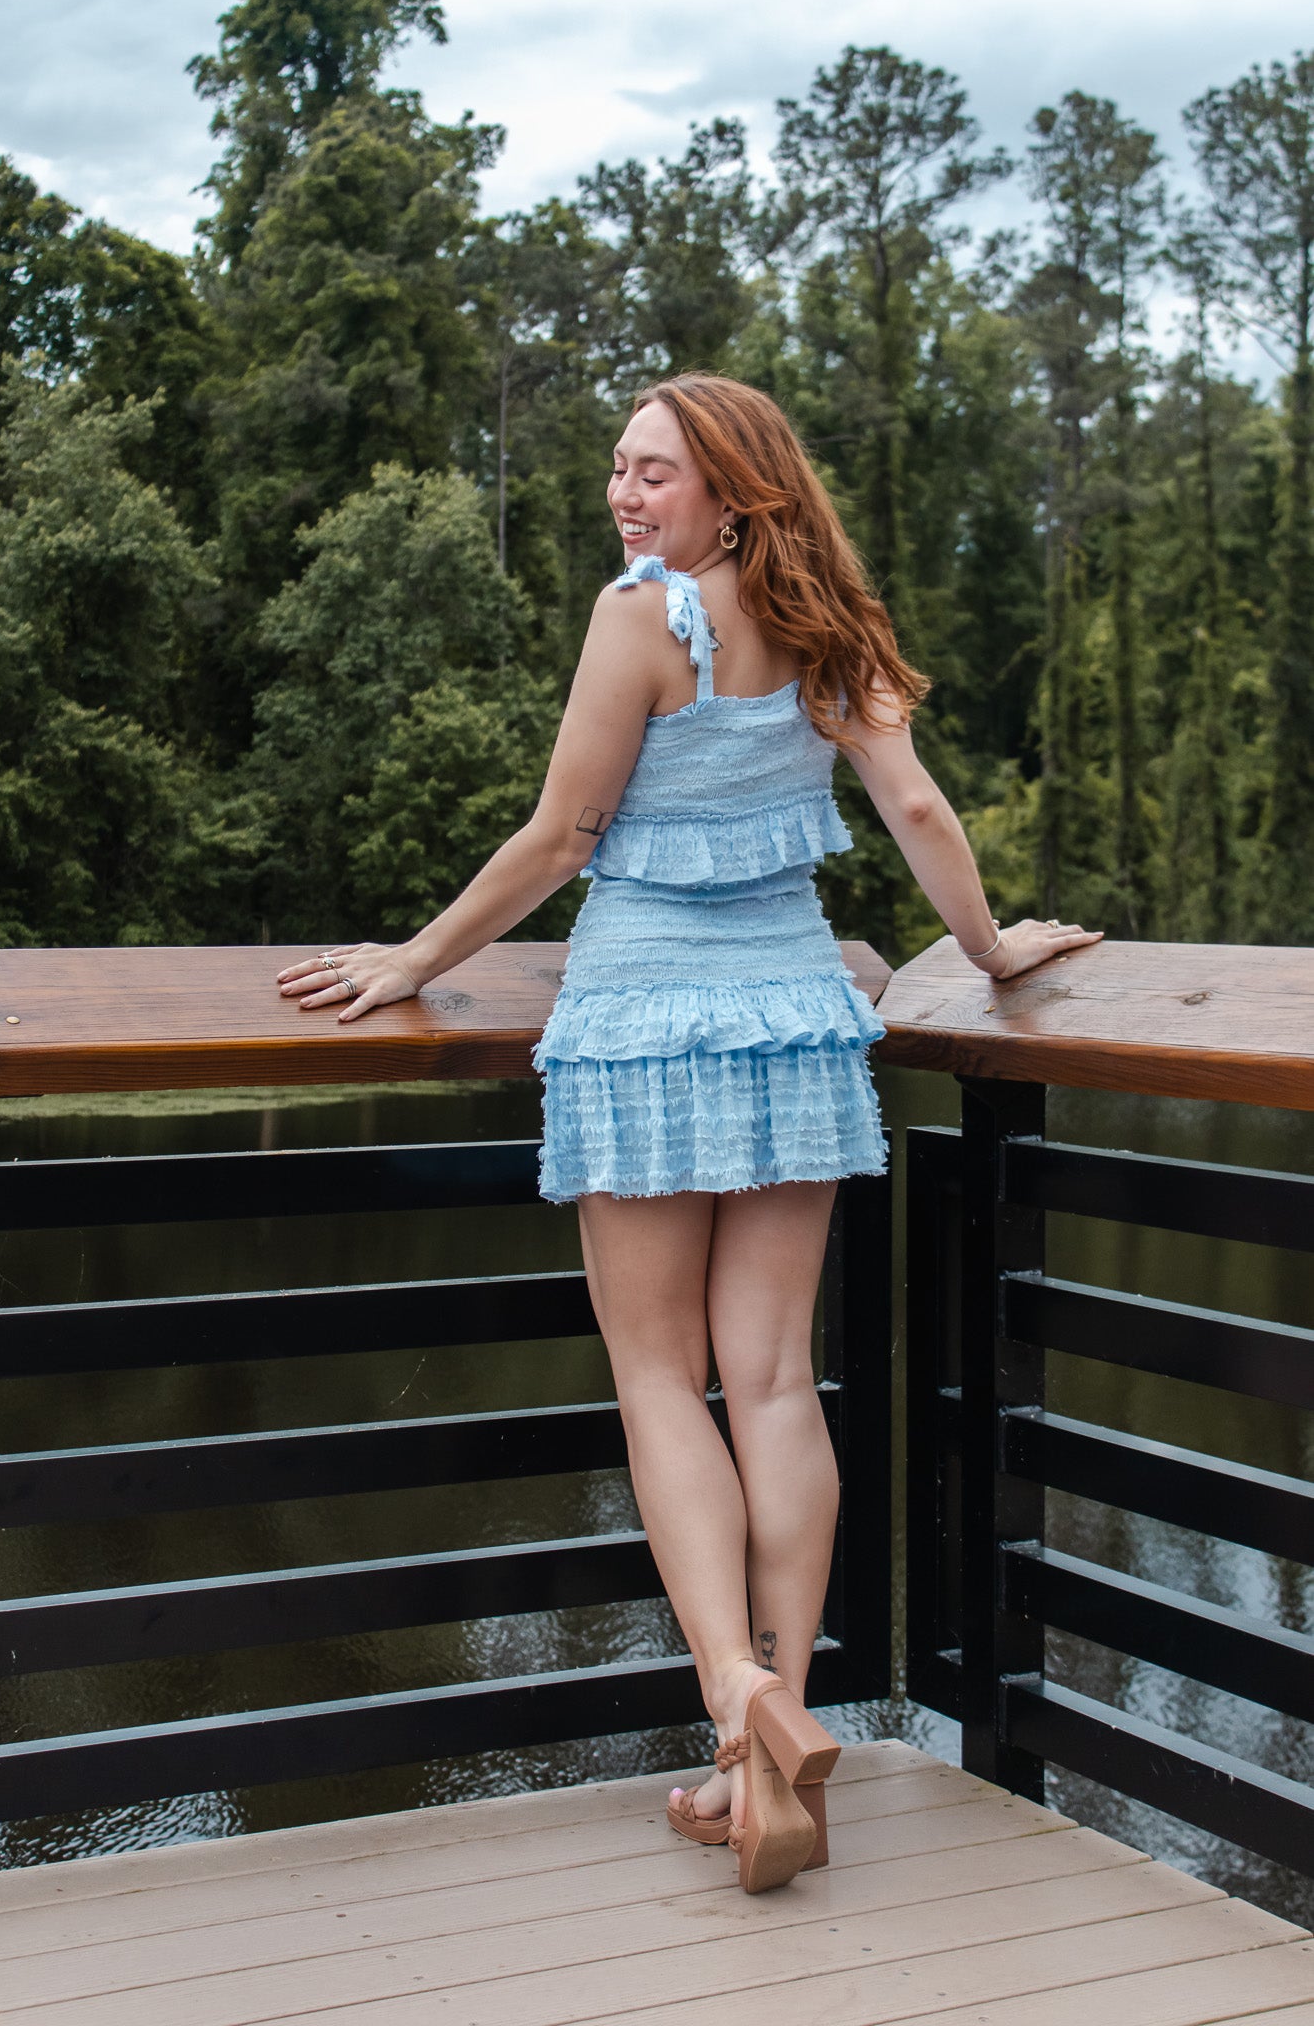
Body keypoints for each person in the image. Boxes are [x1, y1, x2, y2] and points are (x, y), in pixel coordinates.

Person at [276, 372, 1101, 1894]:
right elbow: (915, 812)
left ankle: (738, 1703)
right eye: (616, 469)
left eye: (654, 471)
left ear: (733, 486)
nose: (624, 494)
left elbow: (561, 837)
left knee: (662, 1381)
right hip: (794, 1014)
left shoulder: (639, 617)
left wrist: (413, 962)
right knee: (776, 1382)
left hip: (647, 1019)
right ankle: (770, 1741)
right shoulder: (830, 623)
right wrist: (988, 954)